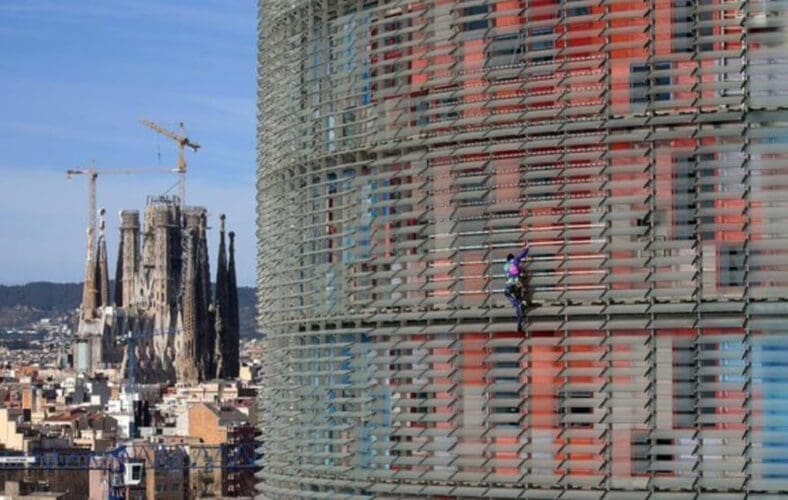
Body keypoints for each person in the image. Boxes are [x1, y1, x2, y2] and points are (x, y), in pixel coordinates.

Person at [503, 244, 529, 332]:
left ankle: (517, 305)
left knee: (509, 296)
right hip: (517, 286)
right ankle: (522, 305)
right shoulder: (515, 261)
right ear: (513, 258)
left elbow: (508, 275)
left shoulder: (505, 266)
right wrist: (526, 248)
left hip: (509, 288)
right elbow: (521, 255)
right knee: (520, 301)